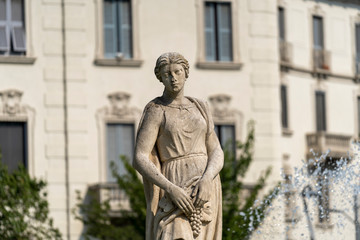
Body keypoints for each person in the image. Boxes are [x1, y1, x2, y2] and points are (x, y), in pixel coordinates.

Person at [133, 52, 223, 240]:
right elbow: (140, 157)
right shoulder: (156, 110)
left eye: (177, 72)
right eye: (167, 74)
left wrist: (207, 179)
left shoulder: (200, 107)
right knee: (174, 234)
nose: (173, 78)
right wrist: (171, 189)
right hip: (174, 184)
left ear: (186, 73)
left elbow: (216, 150)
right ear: (160, 78)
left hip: (205, 187)